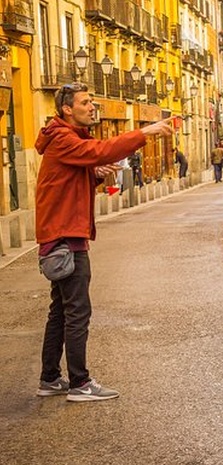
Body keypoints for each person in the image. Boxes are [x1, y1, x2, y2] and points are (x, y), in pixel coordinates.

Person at [34, 82, 174, 401]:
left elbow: (75, 174)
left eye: (91, 101)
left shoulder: (66, 138)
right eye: (85, 102)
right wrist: (145, 132)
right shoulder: (63, 138)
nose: (92, 106)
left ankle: (50, 378)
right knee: (78, 311)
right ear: (67, 109)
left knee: (61, 310)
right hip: (65, 237)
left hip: (63, 234)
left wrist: (95, 176)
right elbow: (99, 151)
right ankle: (80, 383)